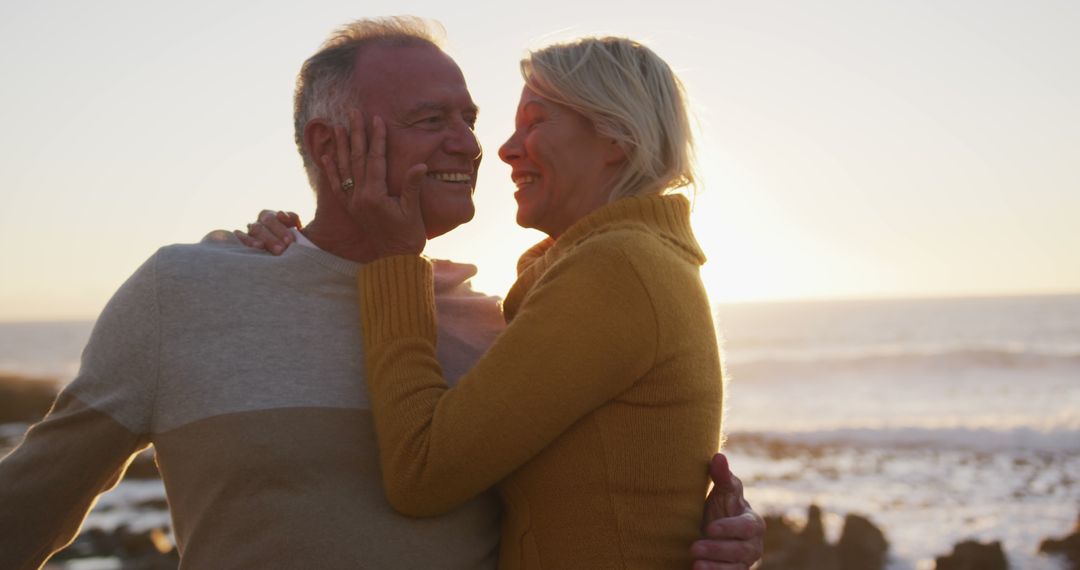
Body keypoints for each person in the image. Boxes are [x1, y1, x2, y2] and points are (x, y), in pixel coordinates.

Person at [0, 17, 761, 570]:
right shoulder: (186, 293)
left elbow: (600, 487)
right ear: (330, 146)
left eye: (469, 117)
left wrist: (710, 536)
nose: (473, 144)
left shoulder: (499, 319)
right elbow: (27, 508)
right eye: (432, 120)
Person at [251, 31, 736, 568]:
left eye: (535, 122)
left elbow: (423, 474)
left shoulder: (617, 268)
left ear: (615, 138)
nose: (504, 149)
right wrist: (302, 246)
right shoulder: (630, 263)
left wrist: (395, 259)